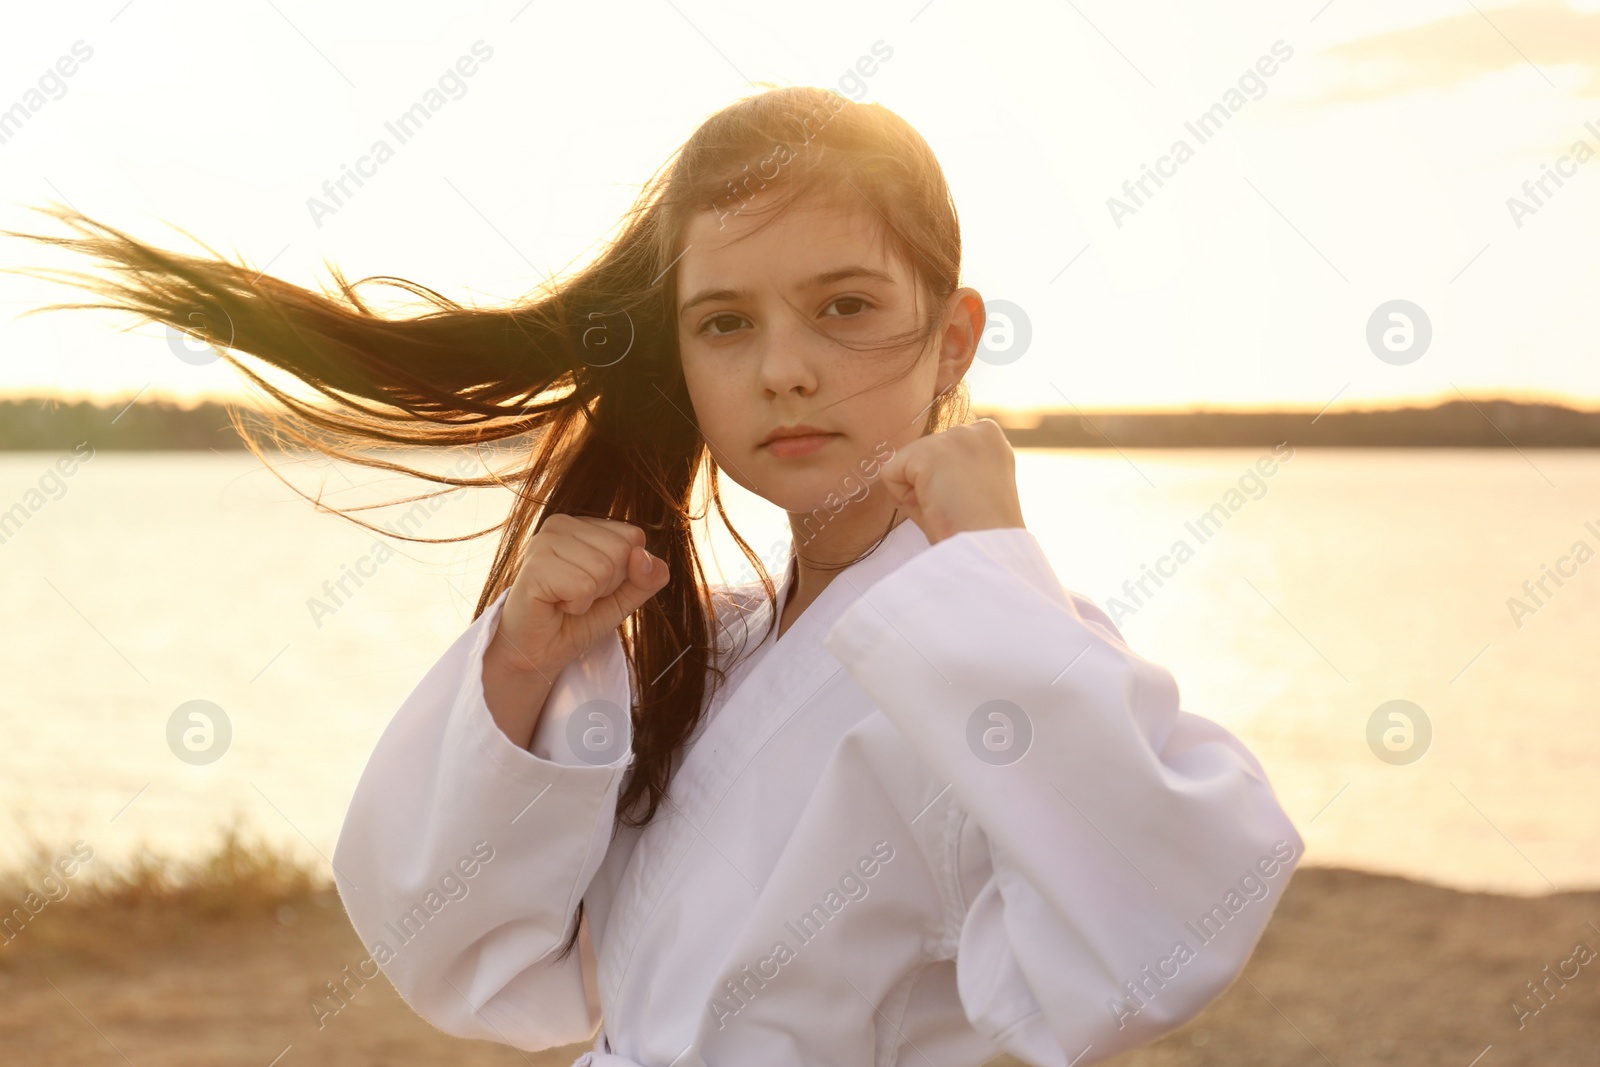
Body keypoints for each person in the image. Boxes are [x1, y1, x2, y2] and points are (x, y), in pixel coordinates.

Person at [6, 84, 1303, 1066]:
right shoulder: (715, 647)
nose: (782, 368)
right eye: (725, 322)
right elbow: (475, 951)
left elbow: (1170, 923)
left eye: (844, 306)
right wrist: (521, 662)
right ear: (682, 361)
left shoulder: (1001, 647)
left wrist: (994, 567)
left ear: (952, 335)